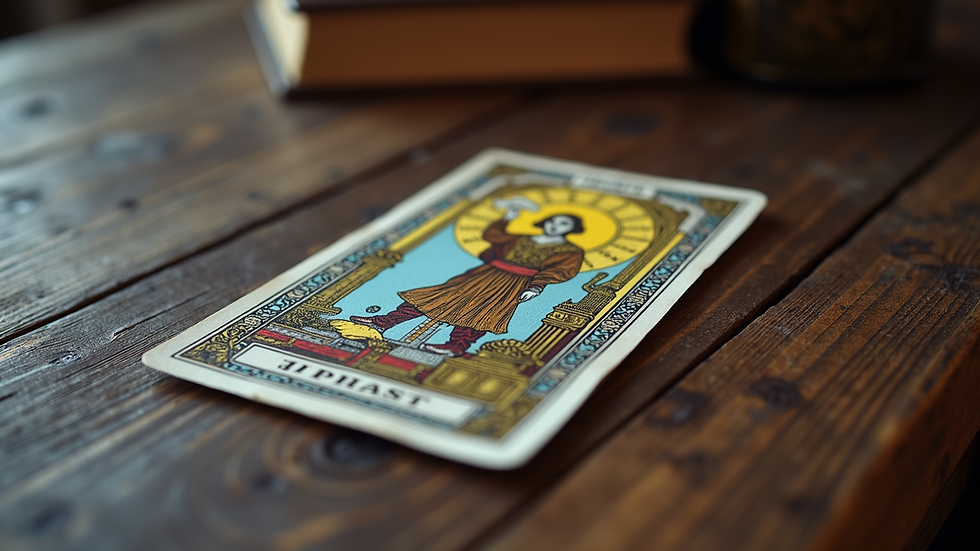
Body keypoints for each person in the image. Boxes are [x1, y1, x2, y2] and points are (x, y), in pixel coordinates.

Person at [351, 197, 585, 356]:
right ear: (546, 222)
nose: (556, 225)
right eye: (553, 221)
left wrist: (536, 287)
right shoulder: (521, 237)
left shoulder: (569, 251)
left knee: (484, 311)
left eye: (562, 224)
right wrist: (509, 215)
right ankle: (383, 323)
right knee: (439, 296)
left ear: (570, 229)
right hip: (485, 273)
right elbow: (493, 235)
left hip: (514, 283)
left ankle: (456, 346)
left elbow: (560, 271)